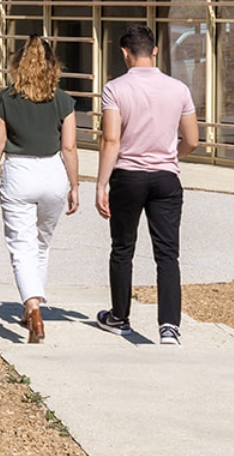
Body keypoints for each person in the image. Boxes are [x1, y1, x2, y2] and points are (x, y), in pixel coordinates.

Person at [93, 24, 199, 346]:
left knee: (123, 248)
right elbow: (193, 140)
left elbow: (111, 140)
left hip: (128, 176)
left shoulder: (115, 89)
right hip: (166, 178)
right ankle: (169, 326)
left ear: (124, 53)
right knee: (167, 254)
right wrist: (170, 157)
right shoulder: (178, 88)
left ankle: (119, 317)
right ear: (154, 51)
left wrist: (101, 184)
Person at [0, 36, 78, 344]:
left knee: (21, 245)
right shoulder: (63, 100)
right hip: (53, 173)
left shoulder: (6, 99)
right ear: (53, 66)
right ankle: (32, 307)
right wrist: (75, 185)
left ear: (17, 65)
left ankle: (32, 308)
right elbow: (70, 147)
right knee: (41, 244)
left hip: (19, 172)